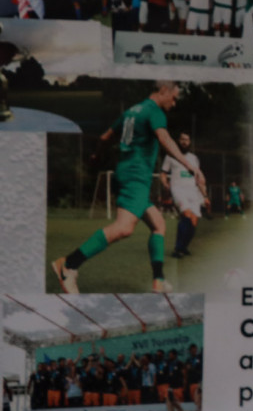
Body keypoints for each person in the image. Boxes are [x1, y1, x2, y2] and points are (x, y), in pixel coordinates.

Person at [51, 81, 199, 294]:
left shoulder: (131, 111)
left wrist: (96, 155)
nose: (174, 103)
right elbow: (164, 137)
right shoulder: (154, 111)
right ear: (163, 90)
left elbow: (105, 137)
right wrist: (188, 164)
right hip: (136, 176)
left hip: (128, 172)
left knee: (158, 224)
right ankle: (69, 265)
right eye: (174, 97)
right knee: (124, 228)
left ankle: (159, 281)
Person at [161, 131, 208, 259]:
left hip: (193, 192)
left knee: (193, 222)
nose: (184, 142)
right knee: (186, 215)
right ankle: (178, 248)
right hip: (178, 189)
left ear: (190, 142)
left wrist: (204, 196)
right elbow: (163, 173)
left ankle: (184, 246)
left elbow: (198, 178)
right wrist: (165, 183)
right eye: (182, 139)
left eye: (186, 140)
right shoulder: (170, 156)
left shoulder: (194, 158)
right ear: (178, 141)